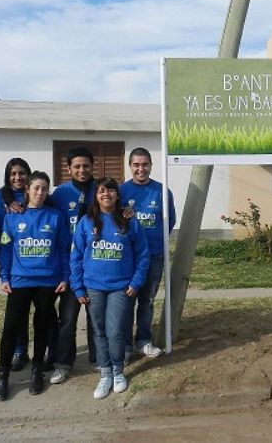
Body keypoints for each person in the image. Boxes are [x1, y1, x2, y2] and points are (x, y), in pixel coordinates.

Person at [70, 177, 149, 399]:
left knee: (115, 331)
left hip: (120, 287)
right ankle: (105, 374)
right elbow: (75, 257)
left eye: (111, 191)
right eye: (102, 191)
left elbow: (142, 255)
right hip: (93, 287)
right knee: (99, 331)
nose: (106, 194)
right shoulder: (86, 222)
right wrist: (78, 287)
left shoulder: (129, 221)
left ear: (117, 195)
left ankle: (118, 371)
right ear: (96, 196)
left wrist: (135, 282)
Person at [0, 171, 70, 400]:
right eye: (36, 188)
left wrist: (65, 277)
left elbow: (63, 250)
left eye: (44, 189)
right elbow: (5, 249)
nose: (40, 193)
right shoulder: (12, 217)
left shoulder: (56, 217)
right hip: (20, 280)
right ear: (27, 189)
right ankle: (3, 375)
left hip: (48, 281)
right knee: (11, 327)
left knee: (42, 326)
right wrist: (4, 276)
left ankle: (38, 370)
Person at [120, 148, 176, 360]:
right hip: (127, 259)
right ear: (130, 166)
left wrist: (155, 241)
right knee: (126, 301)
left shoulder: (162, 192)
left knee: (147, 300)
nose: (140, 169)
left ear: (151, 165)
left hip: (154, 256)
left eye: (145, 164)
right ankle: (125, 346)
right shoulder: (121, 191)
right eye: (136, 165)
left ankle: (143, 341)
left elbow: (169, 220)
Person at [49, 147, 98, 385]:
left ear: (92, 166)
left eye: (86, 165)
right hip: (70, 268)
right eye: (77, 166)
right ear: (68, 169)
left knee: (95, 317)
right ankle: (63, 363)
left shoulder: (102, 190)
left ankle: (97, 358)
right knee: (67, 319)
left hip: (97, 267)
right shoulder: (60, 194)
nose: (82, 170)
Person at [0, 158, 33, 372]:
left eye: (22, 173)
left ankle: (47, 349)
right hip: (13, 267)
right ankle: (20, 350)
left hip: (37, 263)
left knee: (44, 310)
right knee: (18, 312)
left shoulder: (35, 194)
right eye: (13, 173)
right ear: (7, 175)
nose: (18, 177)